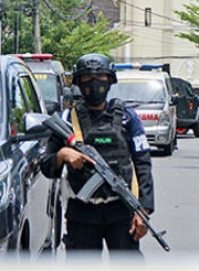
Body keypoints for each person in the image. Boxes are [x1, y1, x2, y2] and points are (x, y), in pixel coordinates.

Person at [39, 53, 154, 255]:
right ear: (78, 82)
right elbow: (46, 164)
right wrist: (63, 155)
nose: (94, 83)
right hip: (82, 212)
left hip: (121, 210)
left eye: (100, 77)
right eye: (87, 78)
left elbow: (142, 163)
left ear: (110, 81)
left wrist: (143, 210)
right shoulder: (66, 119)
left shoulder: (128, 118)